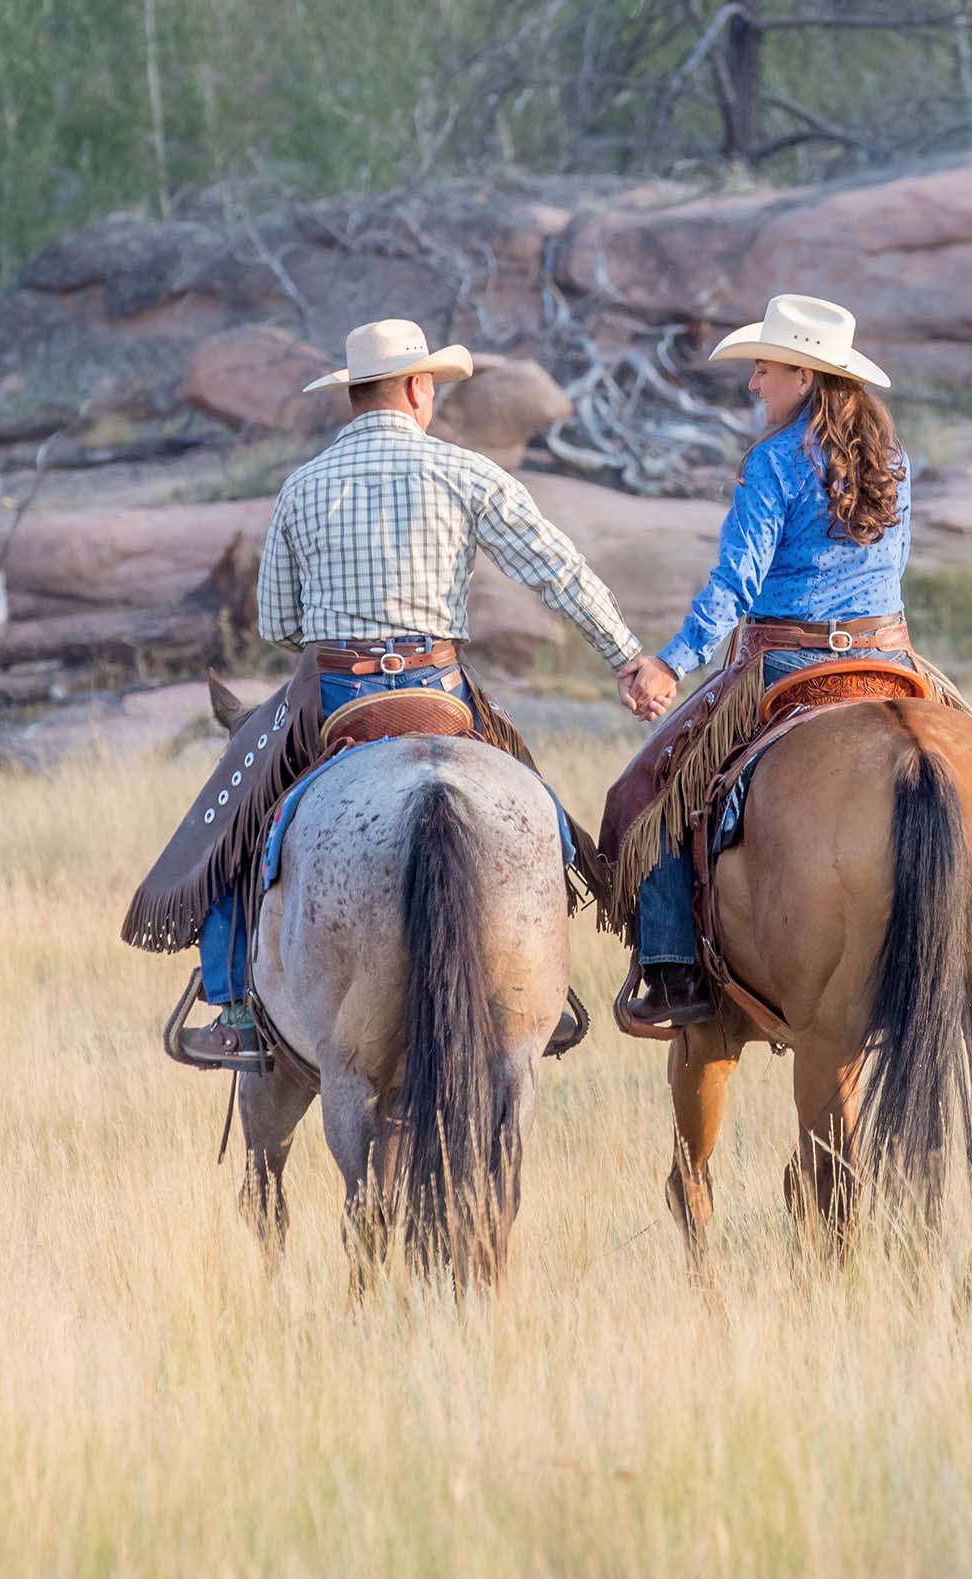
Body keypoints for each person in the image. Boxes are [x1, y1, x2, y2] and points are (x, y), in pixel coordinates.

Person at [123, 317, 656, 1069]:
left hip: (338, 693)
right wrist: (626, 655)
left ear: (354, 396)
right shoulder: (467, 474)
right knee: (537, 812)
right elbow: (557, 570)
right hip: (442, 691)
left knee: (238, 827)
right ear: (416, 389)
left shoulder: (302, 486)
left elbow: (279, 622)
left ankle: (235, 1001)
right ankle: (541, 989)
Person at [605, 293, 938, 1028]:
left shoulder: (774, 462)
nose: (754, 384)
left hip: (785, 664)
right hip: (891, 655)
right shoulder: (893, 459)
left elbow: (737, 582)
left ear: (807, 379)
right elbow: (898, 564)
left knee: (647, 797)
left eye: (765, 369)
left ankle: (673, 972)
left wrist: (672, 663)